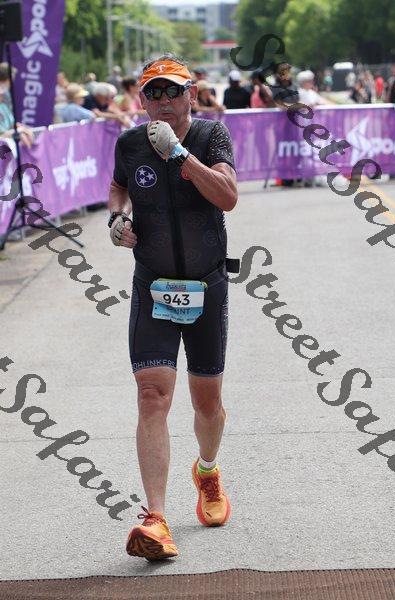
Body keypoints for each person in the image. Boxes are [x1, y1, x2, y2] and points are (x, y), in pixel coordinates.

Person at [108, 53, 237, 561]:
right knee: (152, 395)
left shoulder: (211, 136)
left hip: (206, 285)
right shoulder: (129, 144)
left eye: (172, 91)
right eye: (153, 92)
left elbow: (227, 197)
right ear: (142, 100)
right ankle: (156, 519)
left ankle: (207, 471)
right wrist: (117, 219)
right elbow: (119, 186)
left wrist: (180, 154)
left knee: (207, 403)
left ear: (191, 95)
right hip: (153, 286)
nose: (163, 100)